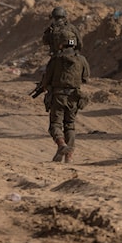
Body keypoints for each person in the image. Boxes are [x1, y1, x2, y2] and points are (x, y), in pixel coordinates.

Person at [37, 32, 90, 163]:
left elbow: (47, 79)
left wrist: (46, 87)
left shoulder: (56, 59)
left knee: (55, 125)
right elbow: (85, 78)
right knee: (70, 126)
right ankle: (69, 156)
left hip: (58, 97)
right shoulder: (82, 59)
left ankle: (61, 145)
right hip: (74, 97)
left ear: (61, 43)